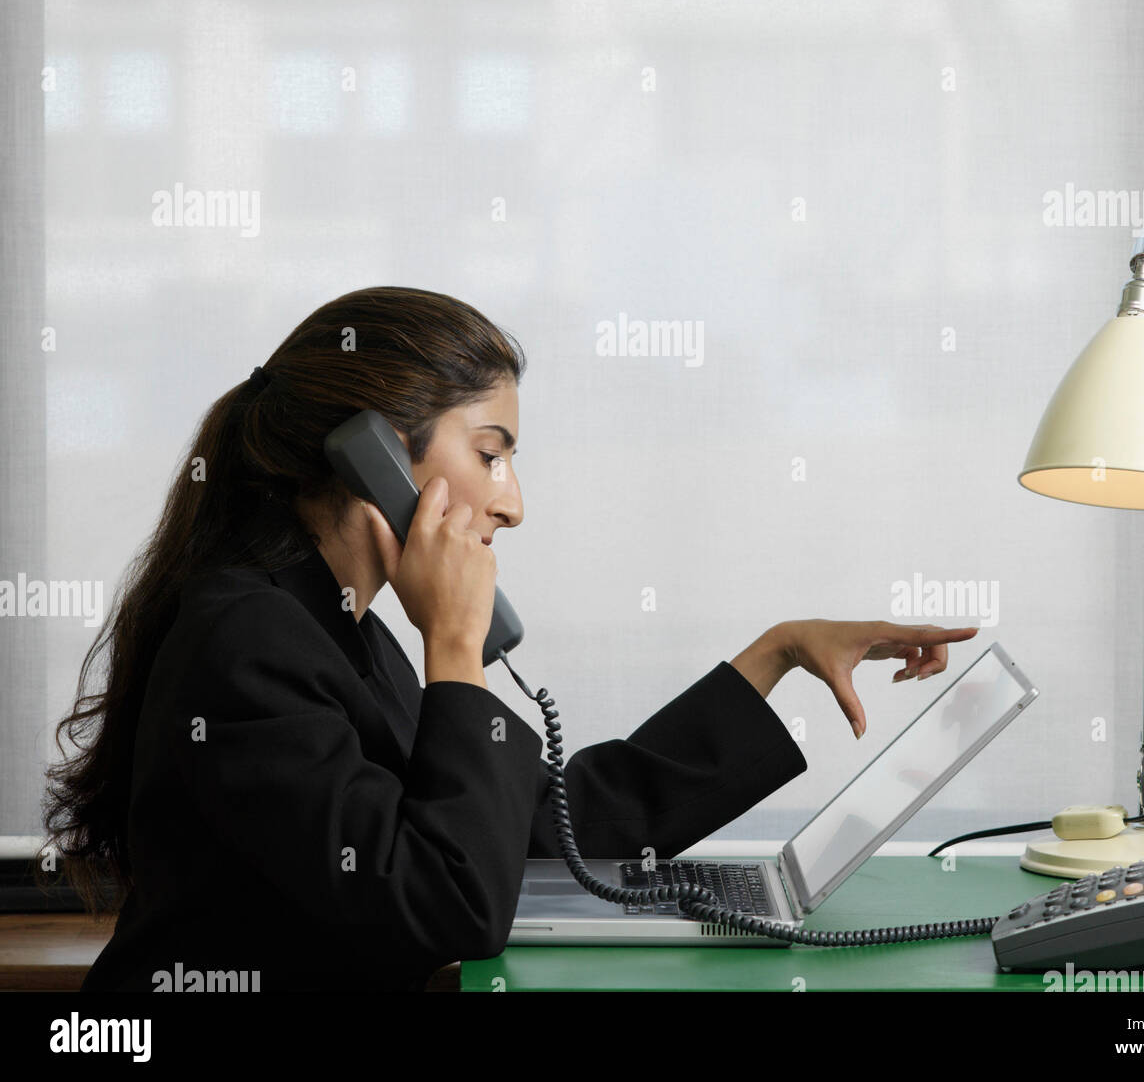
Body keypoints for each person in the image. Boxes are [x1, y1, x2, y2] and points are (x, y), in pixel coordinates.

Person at [45, 286, 978, 991]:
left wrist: (771, 658)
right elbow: (441, 908)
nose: (512, 503)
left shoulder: (340, 631)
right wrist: (455, 648)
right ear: (373, 455)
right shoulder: (248, 643)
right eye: (489, 454)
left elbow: (532, 826)